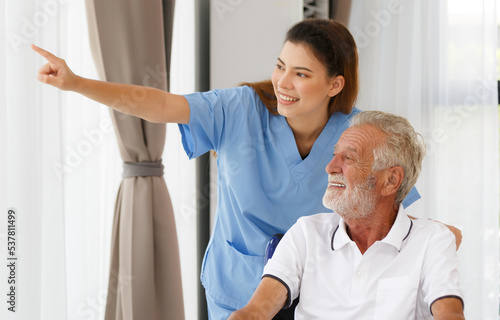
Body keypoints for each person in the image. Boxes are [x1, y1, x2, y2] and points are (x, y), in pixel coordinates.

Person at [32, 18, 460, 319]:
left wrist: (434, 240)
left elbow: (389, 209)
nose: (282, 82)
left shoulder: (358, 136)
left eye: (300, 73)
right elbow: (158, 103)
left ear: (335, 84)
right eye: (279, 66)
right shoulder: (239, 110)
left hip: (318, 294)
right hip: (237, 286)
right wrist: (77, 83)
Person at [229, 111, 464, 320]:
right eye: (335, 155)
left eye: (348, 158)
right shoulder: (306, 233)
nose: (330, 167)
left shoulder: (433, 240)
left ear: (391, 180)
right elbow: (255, 312)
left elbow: (450, 314)